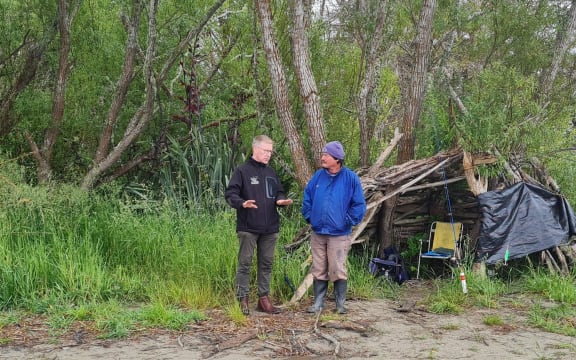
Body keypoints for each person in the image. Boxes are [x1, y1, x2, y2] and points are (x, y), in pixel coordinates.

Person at [225, 135, 293, 315]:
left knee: (267, 263)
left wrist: (280, 201)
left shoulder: (271, 172)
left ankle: (263, 300)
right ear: (255, 149)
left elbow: (278, 191)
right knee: (245, 263)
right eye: (265, 151)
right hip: (248, 226)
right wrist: (242, 203)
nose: (268, 155)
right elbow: (230, 193)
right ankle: (243, 299)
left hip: (270, 227)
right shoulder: (242, 171)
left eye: (270, 151)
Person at [301, 141, 366, 314]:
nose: (322, 157)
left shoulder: (350, 178)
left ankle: (340, 305)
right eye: (323, 154)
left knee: (337, 268)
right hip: (318, 232)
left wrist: (348, 220)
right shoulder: (318, 176)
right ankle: (318, 304)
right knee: (318, 267)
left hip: (339, 233)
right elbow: (307, 198)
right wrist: (310, 216)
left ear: (337, 159)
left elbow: (359, 204)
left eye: (326, 155)